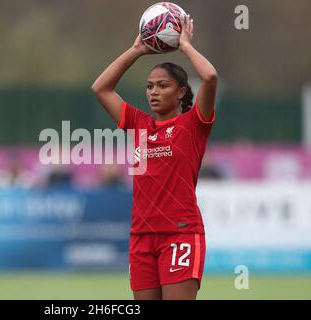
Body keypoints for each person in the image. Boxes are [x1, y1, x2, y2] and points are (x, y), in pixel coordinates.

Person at [91, 16, 217, 300]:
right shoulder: (139, 125)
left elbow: (209, 77)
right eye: (149, 86)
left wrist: (185, 45)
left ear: (181, 91)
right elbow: (101, 88)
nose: (154, 92)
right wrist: (136, 50)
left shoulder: (193, 125)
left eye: (163, 86)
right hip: (141, 238)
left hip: (180, 234)